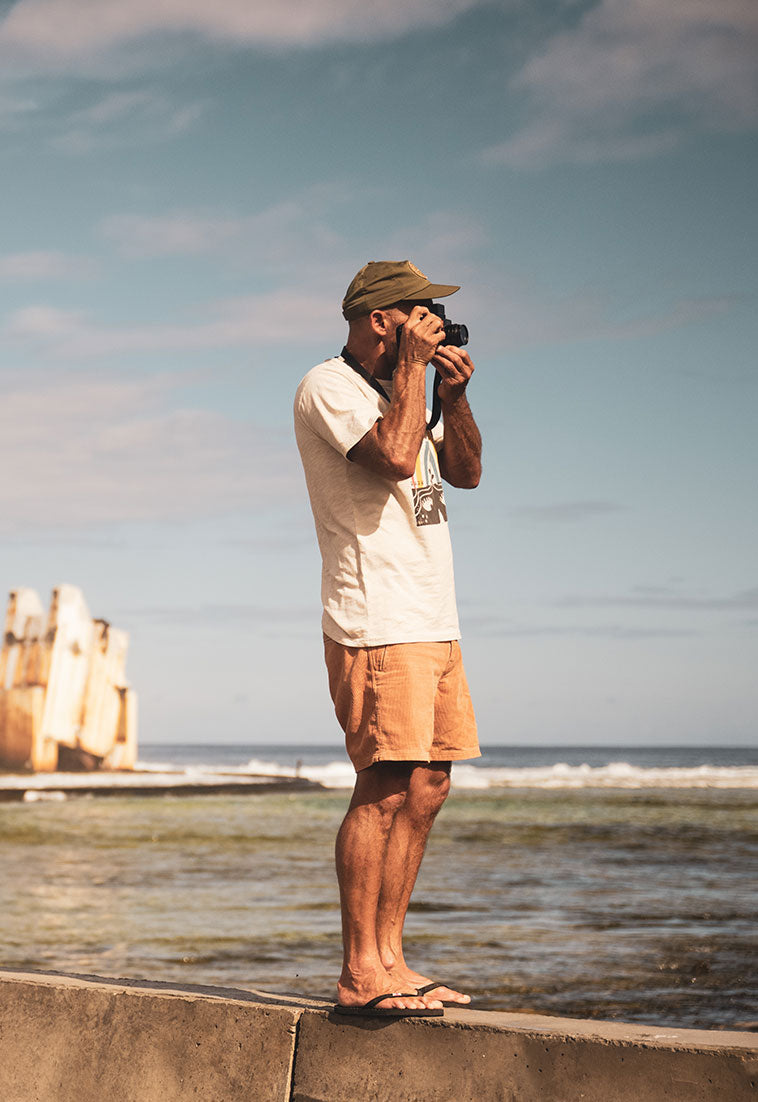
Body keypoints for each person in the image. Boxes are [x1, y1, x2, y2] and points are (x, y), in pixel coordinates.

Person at [294, 260, 482, 1017]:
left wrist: (453, 397)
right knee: (384, 787)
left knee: (430, 786)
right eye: (420, 311)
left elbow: (461, 475)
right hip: (377, 619)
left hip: (435, 619)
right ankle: (358, 972)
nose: (432, 322)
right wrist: (410, 375)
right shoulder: (328, 388)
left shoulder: (408, 391)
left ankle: (393, 961)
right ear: (381, 319)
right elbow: (394, 458)